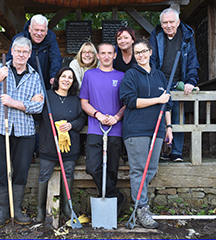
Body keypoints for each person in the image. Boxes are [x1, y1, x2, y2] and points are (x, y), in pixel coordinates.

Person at [0, 36, 44, 227]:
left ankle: (17, 211)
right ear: (12, 52)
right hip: (0, 129)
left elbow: (38, 107)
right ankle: (3, 212)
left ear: (30, 54)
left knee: (21, 170)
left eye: (25, 52)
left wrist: (14, 103)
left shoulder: (34, 76)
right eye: (18, 51)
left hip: (25, 132)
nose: (21, 55)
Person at [120, 38, 173, 229]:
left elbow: (167, 105)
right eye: (137, 53)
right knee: (139, 169)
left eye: (144, 51)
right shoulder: (131, 75)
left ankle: (141, 204)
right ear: (134, 56)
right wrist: (157, 99)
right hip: (136, 129)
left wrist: (169, 127)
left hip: (157, 129)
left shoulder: (160, 76)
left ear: (150, 52)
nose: (141, 55)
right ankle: (141, 208)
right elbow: (130, 101)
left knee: (151, 170)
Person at [32, 67, 86, 222]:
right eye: (63, 76)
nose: (66, 80)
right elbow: (36, 116)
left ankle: (66, 208)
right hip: (48, 145)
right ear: (57, 79)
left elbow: (82, 119)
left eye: (70, 77)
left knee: (68, 173)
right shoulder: (47, 97)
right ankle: (41, 209)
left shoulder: (76, 100)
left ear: (73, 82)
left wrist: (72, 125)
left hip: (70, 146)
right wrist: (34, 101)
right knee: (44, 175)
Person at [79, 42, 126, 216]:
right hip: (95, 129)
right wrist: (98, 115)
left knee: (112, 170)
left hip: (115, 129)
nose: (106, 56)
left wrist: (117, 117)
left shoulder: (122, 76)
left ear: (115, 55)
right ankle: (116, 196)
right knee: (92, 166)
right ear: (97, 55)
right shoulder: (90, 75)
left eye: (109, 53)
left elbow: (126, 103)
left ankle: (108, 207)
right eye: (102, 53)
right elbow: (84, 102)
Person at [6, 14, 62, 157]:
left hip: (44, 83)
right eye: (36, 30)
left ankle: (42, 149)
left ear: (47, 30)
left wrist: (53, 76)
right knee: (26, 114)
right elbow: (10, 60)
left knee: (43, 115)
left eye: (42, 31)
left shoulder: (51, 38)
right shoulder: (19, 39)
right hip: (24, 82)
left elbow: (56, 58)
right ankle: (25, 151)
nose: (39, 33)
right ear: (30, 28)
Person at [149, 8, 199, 162]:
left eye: (171, 22)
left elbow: (192, 61)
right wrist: (154, 80)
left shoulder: (187, 36)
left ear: (178, 22)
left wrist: (190, 81)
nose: (168, 25)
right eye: (165, 22)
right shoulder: (156, 36)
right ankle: (162, 151)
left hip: (178, 82)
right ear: (161, 23)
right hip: (159, 82)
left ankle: (176, 151)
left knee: (177, 116)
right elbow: (152, 60)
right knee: (158, 116)